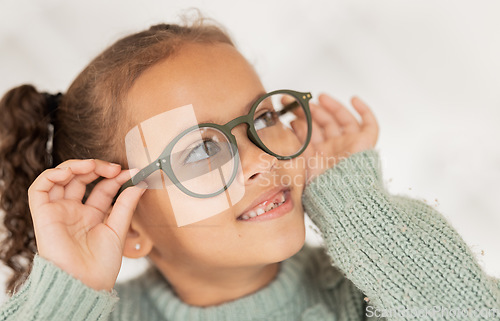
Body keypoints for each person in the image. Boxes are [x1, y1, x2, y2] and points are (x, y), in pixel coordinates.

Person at [0, 17, 499, 321]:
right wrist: (69, 286)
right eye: (200, 150)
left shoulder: (373, 286)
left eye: (262, 118)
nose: (263, 159)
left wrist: (359, 209)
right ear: (129, 224)